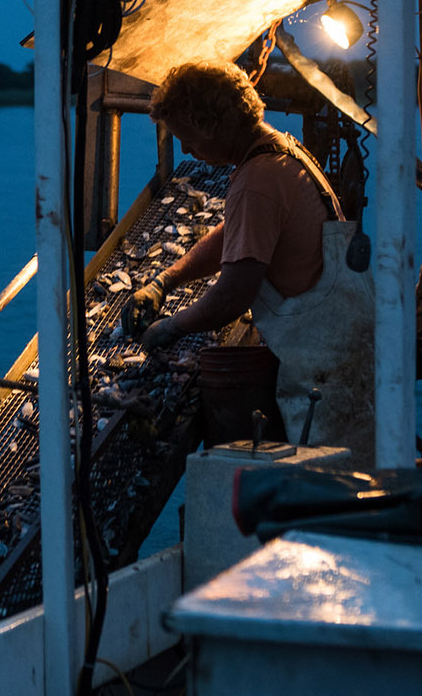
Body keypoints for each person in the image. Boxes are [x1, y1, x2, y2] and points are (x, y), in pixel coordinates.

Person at [125, 60, 376, 459]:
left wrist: (171, 327)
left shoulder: (258, 179)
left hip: (326, 373)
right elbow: (236, 234)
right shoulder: (280, 150)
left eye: (187, 137)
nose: (186, 149)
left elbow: (233, 295)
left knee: (339, 492)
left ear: (209, 121)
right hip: (341, 350)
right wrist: (165, 281)